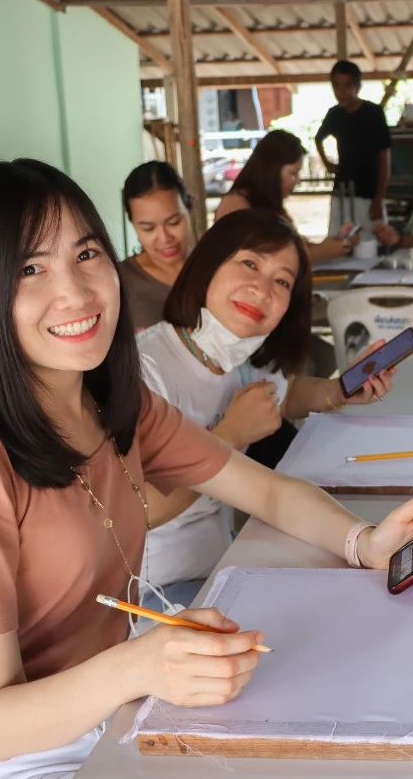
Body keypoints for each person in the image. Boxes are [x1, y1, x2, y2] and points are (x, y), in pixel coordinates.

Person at [0, 159, 413, 779]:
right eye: (30, 269)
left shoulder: (116, 401)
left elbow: (264, 492)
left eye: (87, 253)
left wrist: (365, 540)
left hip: (104, 714)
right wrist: (140, 665)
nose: (74, 293)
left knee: (287, 777)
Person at [137, 208, 399, 610]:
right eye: (249, 263)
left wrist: (339, 392)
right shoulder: (147, 367)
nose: (262, 289)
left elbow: (283, 398)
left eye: (282, 281)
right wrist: (229, 437)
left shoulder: (238, 357)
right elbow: (139, 512)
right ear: (207, 264)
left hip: (228, 564)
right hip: (156, 590)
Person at [214, 129, 360, 263]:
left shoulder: (272, 206)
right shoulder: (236, 204)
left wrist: (336, 242)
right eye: (293, 173)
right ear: (273, 170)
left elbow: (295, 246)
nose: (297, 181)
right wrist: (322, 251)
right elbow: (259, 259)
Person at [316, 60, 391, 241]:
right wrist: (328, 164)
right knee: (338, 243)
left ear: (357, 86)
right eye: (337, 85)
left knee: (373, 243)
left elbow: (384, 158)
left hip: (369, 192)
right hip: (342, 190)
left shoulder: (374, 113)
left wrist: (378, 198)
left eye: (347, 85)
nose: (342, 92)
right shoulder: (334, 114)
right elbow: (318, 138)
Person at [119, 161, 196, 330]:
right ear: (133, 224)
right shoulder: (120, 282)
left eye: (174, 222)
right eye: (148, 228)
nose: (164, 238)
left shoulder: (215, 267)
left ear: (189, 207)